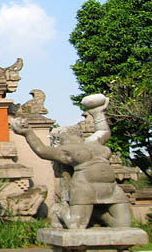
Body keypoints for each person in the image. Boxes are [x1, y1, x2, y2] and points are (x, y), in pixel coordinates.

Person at [10, 93, 131, 229]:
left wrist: (98, 113)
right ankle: (58, 210)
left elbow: (103, 131)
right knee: (76, 225)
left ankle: (97, 213)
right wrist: (28, 133)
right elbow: (42, 151)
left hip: (111, 188)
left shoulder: (92, 142)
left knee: (123, 225)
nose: (70, 131)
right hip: (85, 187)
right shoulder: (65, 151)